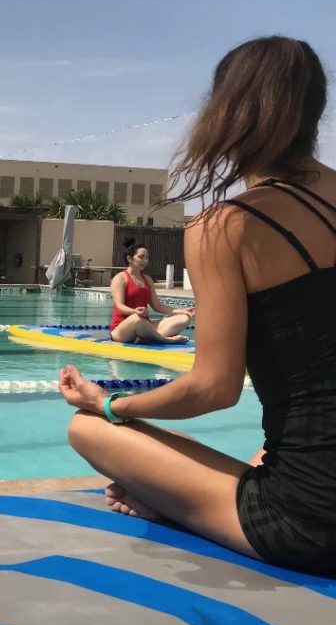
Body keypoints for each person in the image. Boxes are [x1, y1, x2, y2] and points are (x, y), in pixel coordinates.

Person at [59, 36, 336, 576]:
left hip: (312, 523)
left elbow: (214, 390)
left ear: (225, 113)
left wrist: (110, 405)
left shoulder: (228, 225)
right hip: (311, 473)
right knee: (221, 452)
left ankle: (179, 509)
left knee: (88, 431)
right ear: (317, 111)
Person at [109, 239, 194, 344]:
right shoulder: (120, 278)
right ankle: (165, 339)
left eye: (147, 258)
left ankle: (147, 338)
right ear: (129, 258)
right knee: (137, 319)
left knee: (184, 318)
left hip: (144, 326)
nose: (145, 261)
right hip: (122, 330)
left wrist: (182, 311)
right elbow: (119, 306)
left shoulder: (148, 279)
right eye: (141, 257)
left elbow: (157, 306)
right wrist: (134, 311)